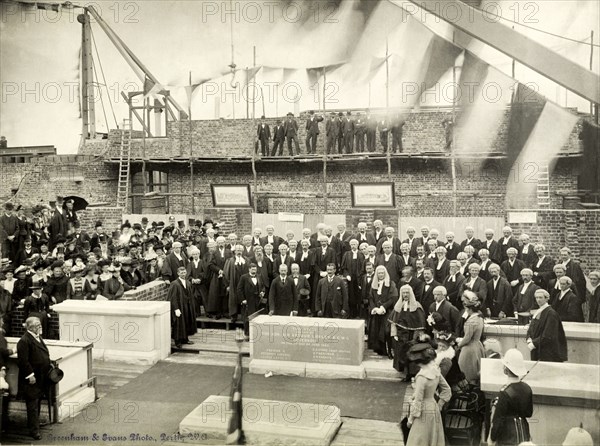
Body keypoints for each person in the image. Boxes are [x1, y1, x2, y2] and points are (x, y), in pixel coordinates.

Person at [405, 345, 452, 446]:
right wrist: (439, 405)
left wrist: (410, 420)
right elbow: (447, 390)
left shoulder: (421, 377)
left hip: (423, 413)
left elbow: (418, 402)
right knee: (432, 439)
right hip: (434, 408)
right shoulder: (435, 370)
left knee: (418, 440)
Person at [489, 348, 533, 446]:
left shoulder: (505, 392)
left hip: (507, 437)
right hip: (524, 434)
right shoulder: (527, 388)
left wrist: (492, 437)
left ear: (506, 369)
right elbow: (529, 413)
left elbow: (498, 421)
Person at [17, 316, 52, 440]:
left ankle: (34, 425)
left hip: (41, 377)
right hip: (32, 379)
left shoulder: (37, 337)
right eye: (38, 325)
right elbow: (23, 361)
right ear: (30, 327)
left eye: (40, 324)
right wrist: (30, 375)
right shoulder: (24, 341)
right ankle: (34, 431)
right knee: (32, 404)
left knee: (36, 402)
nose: (40, 327)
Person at [390, 284, 426, 377]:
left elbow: (420, 324)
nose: (405, 295)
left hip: (411, 335)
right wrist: (394, 334)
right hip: (401, 335)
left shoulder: (416, 306)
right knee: (401, 353)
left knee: (411, 353)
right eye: (403, 293)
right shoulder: (399, 305)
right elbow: (393, 321)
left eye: (407, 292)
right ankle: (403, 371)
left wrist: (416, 337)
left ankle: (411, 374)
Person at [526, 289, 568, 362]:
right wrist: (529, 339)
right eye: (537, 298)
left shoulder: (551, 313)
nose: (538, 300)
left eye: (540, 297)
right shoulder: (538, 311)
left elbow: (548, 335)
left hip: (547, 352)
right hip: (537, 349)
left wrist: (534, 343)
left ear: (546, 298)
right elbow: (531, 328)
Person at [367, 266, 399, 357]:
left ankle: (389, 351)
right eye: (379, 273)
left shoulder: (391, 284)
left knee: (386, 331)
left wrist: (383, 307)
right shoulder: (374, 285)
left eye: (382, 273)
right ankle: (380, 350)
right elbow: (371, 298)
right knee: (376, 330)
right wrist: (374, 308)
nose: (381, 275)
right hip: (376, 312)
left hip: (387, 311)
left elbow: (393, 298)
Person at [456, 290, 485, 386]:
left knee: (467, 372)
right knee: (476, 372)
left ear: (468, 308)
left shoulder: (471, 320)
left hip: (469, 349)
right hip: (477, 345)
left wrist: (459, 345)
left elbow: (467, 338)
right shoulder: (480, 317)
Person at [168, 266, 196, 348]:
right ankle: (178, 341)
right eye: (181, 273)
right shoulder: (174, 284)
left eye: (184, 272)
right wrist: (176, 308)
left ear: (186, 273)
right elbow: (172, 297)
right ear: (178, 273)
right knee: (178, 324)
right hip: (179, 306)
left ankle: (185, 339)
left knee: (186, 322)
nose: (183, 274)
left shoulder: (188, 282)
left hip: (187, 306)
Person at [237, 263, 265, 335]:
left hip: (257, 301)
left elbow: (262, 286)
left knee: (257, 318)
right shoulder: (244, 277)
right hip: (248, 301)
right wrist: (243, 299)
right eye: (252, 269)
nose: (254, 270)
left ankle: (256, 334)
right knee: (248, 318)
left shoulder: (259, 276)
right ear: (249, 269)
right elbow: (239, 289)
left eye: (255, 269)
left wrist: (262, 292)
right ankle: (247, 334)